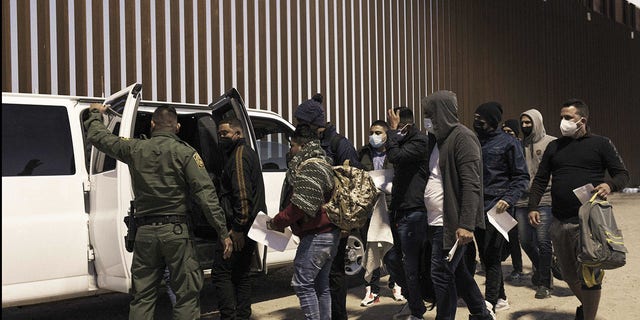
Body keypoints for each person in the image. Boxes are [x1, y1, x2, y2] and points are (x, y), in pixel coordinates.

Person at [84, 103, 232, 320]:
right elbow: (206, 195)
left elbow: (98, 137)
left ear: (153, 124)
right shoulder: (186, 153)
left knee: (143, 297)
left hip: (145, 235)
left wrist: (95, 113)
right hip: (177, 233)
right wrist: (222, 232)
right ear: (178, 127)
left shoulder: (134, 148)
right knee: (186, 296)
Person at [528, 99, 629, 320]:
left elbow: (622, 174)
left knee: (590, 274)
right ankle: (588, 307)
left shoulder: (601, 144)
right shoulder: (554, 147)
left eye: (568, 117)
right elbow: (540, 179)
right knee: (567, 273)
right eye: (562, 116)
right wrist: (533, 206)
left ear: (582, 120)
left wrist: (609, 185)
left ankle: (589, 316)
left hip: (589, 222)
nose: (563, 122)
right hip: (559, 220)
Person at [421, 90, 495, 320]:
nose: (426, 118)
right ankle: (481, 314)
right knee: (459, 273)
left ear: (440, 113)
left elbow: (472, 184)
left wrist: (466, 224)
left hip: (451, 222)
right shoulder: (436, 140)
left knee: (441, 275)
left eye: (429, 113)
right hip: (434, 220)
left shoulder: (463, 137)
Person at [293, 93, 363, 320]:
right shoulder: (308, 145)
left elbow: (357, 186)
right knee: (318, 280)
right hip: (313, 225)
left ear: (314, 125)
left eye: (301, 124)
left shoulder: (339, 145)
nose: (297, 128)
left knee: (333, 277)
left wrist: (348, 225)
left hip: (336, 225)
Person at [266, 124, 340, 320]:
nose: (290, 150)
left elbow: (301, 205)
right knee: (320, 285)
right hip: (328, 234)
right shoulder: (323, 161)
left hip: (317, 235)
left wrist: (277, 222)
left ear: (301, 145)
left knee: (302, 284)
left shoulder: (311, 166)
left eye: (292, 145)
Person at [472, 102, 529, 313]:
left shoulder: (509, 143)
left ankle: (488, 303)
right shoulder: (474, 142)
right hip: (476, 206)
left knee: (492, 255)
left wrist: (509, 198)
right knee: (485, 256)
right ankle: (501, 297)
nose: (477, 122)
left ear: (493, 121)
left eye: (481, 119)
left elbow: (522, 177)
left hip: (498, 208)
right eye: (475, 118)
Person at [212, 117, 267, 320]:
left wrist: (237, 229)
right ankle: (243, 315)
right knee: (241, 274)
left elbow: (242, 197)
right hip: (250, 226)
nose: (221, 137)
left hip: (239, 228)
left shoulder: (239, 156)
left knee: (221, 273)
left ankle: (229, 316)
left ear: (238, 133)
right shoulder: (246, 153)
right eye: (219, 134)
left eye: (225, 133)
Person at [382, 106, 432, 320]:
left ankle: (417, 310)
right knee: (392, 259)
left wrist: (392, 132)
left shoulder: (420, 142)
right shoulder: (400, 141)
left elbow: (395, 156)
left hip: (414, 211)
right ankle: (415, 300)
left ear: (406, 125)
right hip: (399, 210)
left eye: (397, 125)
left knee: (410, 264)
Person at [357, 120, 405, 306]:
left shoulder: (395, 154)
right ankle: (372, 289)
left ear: (386, 134)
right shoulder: (364, 153)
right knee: (371, 248)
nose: (374, 137)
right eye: (371, 133)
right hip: (369, 208)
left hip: (390, 207)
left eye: (378, 132)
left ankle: (396, 284)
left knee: (393, 248)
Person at [513, 108, 557, 298]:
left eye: (528, 122)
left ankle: (545, 283)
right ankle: (544, 267)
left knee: (543, 241)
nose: (525, 126)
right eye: (523, 123)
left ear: (537, 122)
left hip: (545, 198)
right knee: (525, 241)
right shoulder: (518, 145)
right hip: (522, 200)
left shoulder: (552, 143)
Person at [500, 119, 526, 282]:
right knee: (507, 234)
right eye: (504, 131)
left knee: (518, 236)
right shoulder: (501, 147)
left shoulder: (520, 148)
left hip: (520, 198)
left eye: (510, 132)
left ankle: (518, 267)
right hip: (504, 198)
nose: (507, 135)